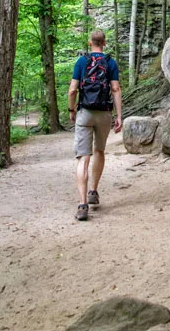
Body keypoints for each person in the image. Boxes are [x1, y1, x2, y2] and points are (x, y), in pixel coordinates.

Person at [68, 29, 122, 220]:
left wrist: (71, 110)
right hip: (104, 113)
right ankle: (93, 191)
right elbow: (115, 89)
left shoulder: (82, 61)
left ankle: (82, 205)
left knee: (83, 157)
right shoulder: (110, 62)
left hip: (85, 112)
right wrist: (119, 116)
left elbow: (73, 90)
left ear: (90, 43)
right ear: (104, 43)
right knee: (99, 151)